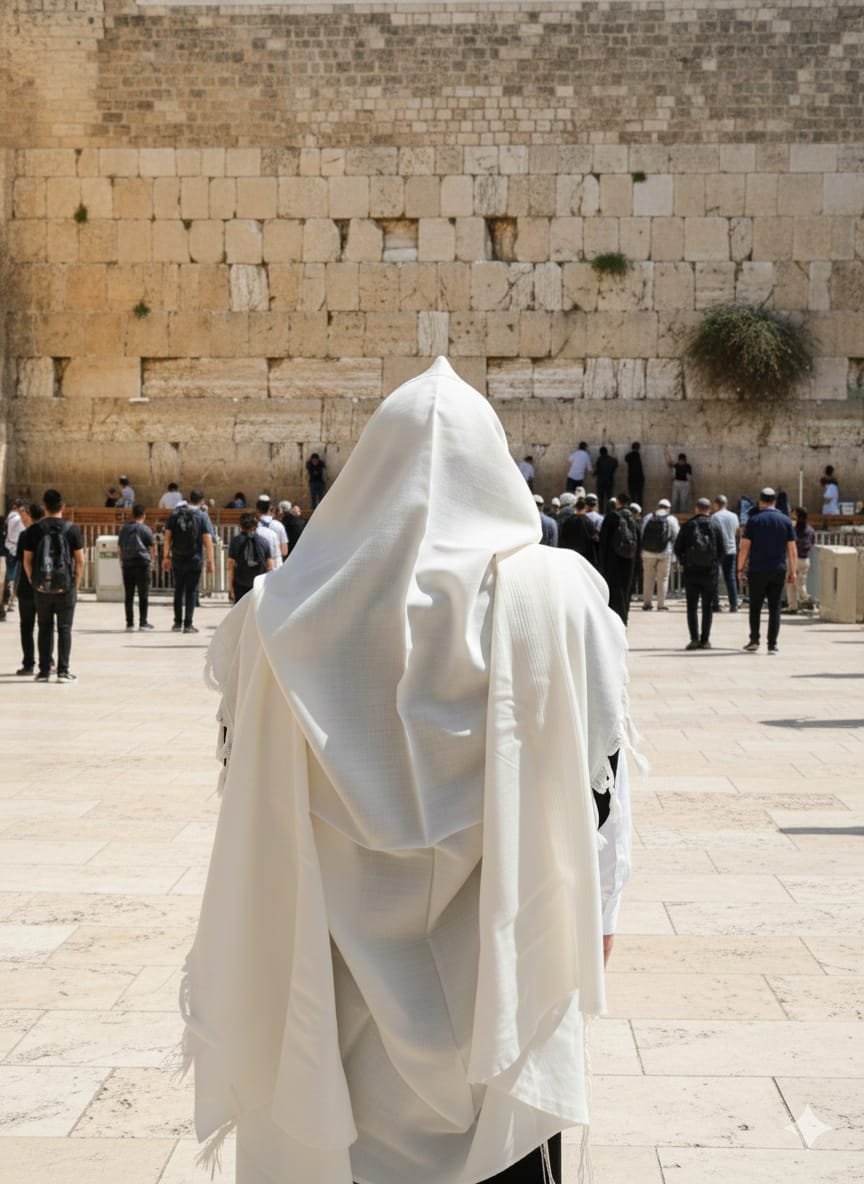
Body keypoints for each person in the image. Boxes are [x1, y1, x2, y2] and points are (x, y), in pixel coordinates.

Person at [180, 357, 634, 1184]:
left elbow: (242, 783)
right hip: (501, 989)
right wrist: (598, 912)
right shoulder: (559, 599)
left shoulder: (273, 616)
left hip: (334, 1002)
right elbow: (601, 783)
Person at [21, 489, 85, 682]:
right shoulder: (72, 529)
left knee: (44, 627)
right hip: (65, 586)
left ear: (44, 507)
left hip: (41, 587)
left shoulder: (34, 530)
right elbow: (80, 561)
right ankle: (63, 672)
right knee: (64, 628)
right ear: (62, 506)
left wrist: (34, 581)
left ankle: (43, 672)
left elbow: (27, 560)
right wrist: (75, 584)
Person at [738, 487, 797, 655]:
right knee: (775, 607)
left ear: (760, 501)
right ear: (775, 502)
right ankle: (772, 645)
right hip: (778, 569)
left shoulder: (754, 520)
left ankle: (754, 640)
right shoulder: (785, 520)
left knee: (755, 606)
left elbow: (744, 547)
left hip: (757, 570)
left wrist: (740, 568)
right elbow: (792, 549)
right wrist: (793, 571)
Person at [674, 497, 724, 650]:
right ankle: (705, 640)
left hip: (691, 572)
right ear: (710, 509)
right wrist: (714, 563)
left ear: (696, 509)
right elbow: (722, 549)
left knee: (692, 607)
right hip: (710, 573)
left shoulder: (689, 525)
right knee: (707, 607)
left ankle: (694, 639)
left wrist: (685, 562)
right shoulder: (715, 525)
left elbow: (677, 548)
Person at [163, 490, 214, 634]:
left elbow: (167, 538)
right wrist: (210, 561)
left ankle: (177, 623)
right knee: (191, 591)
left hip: (178, 557)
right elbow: (208, 541)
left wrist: (166, 557)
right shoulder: (202, 516)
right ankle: (188, 624)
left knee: (178, 589)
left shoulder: (175, 514)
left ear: (189, 499)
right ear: (201, 501)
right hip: (194, 558)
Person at [597, 495, 638, 624]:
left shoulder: (611, 517)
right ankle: (623, 620)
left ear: (618, 502)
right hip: (629, 561)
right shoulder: (633, 519)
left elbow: (603, 543)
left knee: (614, 592)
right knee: (625, 592)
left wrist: (601, 563)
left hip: (612, 561)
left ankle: (614, 623)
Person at [13, 502, 42, 675]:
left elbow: (21, 560)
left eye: (24, 517)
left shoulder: (25, 535)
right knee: (45, 625)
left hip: (27, 586)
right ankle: (48, 661)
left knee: (27, 627)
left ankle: (29, 664)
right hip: (45, 586)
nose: (22, 520)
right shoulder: (49, 533)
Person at [118, 504, 156, 631]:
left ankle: (129, 623)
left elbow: (120, 548)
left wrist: (123, 561)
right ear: (144, 515)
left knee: (129, 595)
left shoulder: (124, 529)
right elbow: (151, 548)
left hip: (128, 564)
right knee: (143, 595)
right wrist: (152, 562)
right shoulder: (146, 529)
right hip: (142, 564)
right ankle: (143, 622)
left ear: (132, 515)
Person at [640, 497, 679, 611]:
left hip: (648, 552)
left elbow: (642, 533)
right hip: (664, 552)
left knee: (648, 578)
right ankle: (661, 604)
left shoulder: (648, 517)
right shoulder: (671, 519)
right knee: (663, 579)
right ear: (668, 508)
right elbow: (676, 536)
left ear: (658, 506)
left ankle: (647, 604)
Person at [227, 512, 274, 603]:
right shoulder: (264, 542)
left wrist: (230, 587)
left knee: (241, 610)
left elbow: (230, 566)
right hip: (259, 584)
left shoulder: (236, 541)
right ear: (256, 526)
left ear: (241, 526)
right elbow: (270, 566)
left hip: (240, 583)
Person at [710, 495, 740, 613]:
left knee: (715, 577)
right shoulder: (734, 516)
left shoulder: (714, 517)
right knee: (731, 577)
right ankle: (734, 604)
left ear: (716, 504)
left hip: (718, 550)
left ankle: (715, 605)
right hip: (731, 549)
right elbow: (737, 532)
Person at [784, 506, 815, 614]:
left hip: (793, 559)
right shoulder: (810, 529)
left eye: (793, 513)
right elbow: (812, 542)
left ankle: (796, 604)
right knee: (801, 583)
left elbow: (788, 542)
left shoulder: (793, 528)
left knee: (790, 583)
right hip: (805, 560)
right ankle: (804, 599)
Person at [558, 496, 599, 566]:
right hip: (585, 558)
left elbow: (562, 538)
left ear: (576, 507)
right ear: (585, 507)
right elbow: (595, 540)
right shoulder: (589, 522)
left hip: (570, 556)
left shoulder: (568, 521)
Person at [255, 496, 288, 566]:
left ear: (257, 510)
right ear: (269, 509)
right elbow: (284, 551)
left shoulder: (253, 527)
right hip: (276, 565)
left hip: (258, 566)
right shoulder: (279, 525)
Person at [594, 446, 618, 512]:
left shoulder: (599, 459)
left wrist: (593, 474)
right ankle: (609, 512)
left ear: (600, 453)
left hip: (600, 482)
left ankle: (601, 512)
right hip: (609, 481)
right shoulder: (612, 460)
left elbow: (598, 470)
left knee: (600, 499)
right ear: (607, 452)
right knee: (609, 499)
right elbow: (615, 466)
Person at [624, 442, 644, 508]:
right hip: (639, 480)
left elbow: (626, 459)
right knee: (639, 497)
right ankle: (640, 512)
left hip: (631, 479)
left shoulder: (629, 455)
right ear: (638, 448)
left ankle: (632, 510)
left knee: (632, 497)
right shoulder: (637, 455)